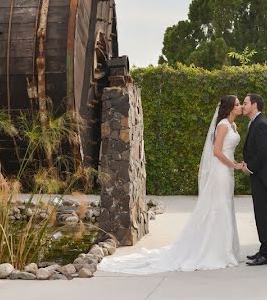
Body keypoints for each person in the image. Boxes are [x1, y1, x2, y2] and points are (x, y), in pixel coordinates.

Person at [97, 95, 246, 273]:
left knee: (226, 206)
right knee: (219, 207)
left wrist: (235, 164)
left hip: (228, 172)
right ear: (230, 108)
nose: (240, 107)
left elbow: (228, 150)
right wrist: (234, 165)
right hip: (221, 171)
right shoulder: (222, 125)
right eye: (237, 104)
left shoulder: (233, 125)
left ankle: (228, 249)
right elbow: (216, 151)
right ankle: (218, 251)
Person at [241, 93, 267, 266]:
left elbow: (264, 152)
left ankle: (266, 254)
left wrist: (249, 167)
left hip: (262, 178)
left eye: (245, 103)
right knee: (261, 214)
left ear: (254, 105)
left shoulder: (261, 124)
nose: (243, 106)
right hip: (259, 177)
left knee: (263, 215)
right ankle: (263, 250)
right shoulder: (256, 122)